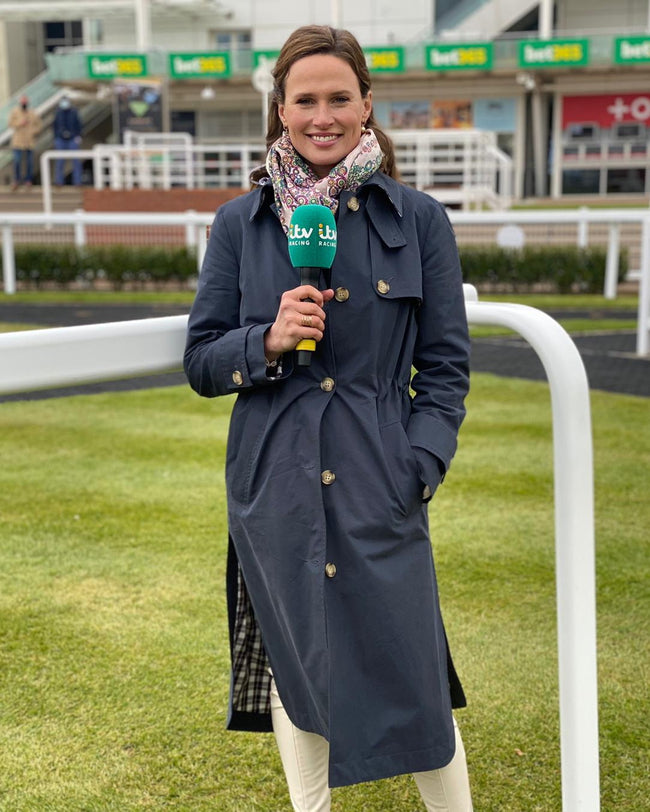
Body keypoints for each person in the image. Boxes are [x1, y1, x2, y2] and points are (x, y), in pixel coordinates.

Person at [184, 25, 472, 812]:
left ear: (366, 106)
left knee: (412, 670)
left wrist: (420, 465)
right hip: (273, 484)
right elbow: (201, 361)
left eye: (338, 98)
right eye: (304, 99)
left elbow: (444, 370)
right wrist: (266, 339)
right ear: (280, 110)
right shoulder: (239, 224)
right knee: (297, 662)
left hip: (381, 477)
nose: (322, 115)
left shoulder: (419, 221)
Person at [8, 95, 41, 190]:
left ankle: (28, 180)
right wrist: (20, 123)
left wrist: (33, 131)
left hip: (29, 141)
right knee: (17, 161)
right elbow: (10, 124)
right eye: (22, 101)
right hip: (18, 142)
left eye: (25, 101)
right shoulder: (15, 112)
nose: (24, 103)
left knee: (29, 162)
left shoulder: (32, 113)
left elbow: (39, 125)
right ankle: (16, 180)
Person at [53, 95, 83, 186]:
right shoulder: (58, 113)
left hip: (72, 139)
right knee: (60, 161)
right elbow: (54, 126)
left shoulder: (74, 112)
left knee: (76, 161)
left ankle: (77, 181)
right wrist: (57, 136)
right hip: (61, 139)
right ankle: (59, 181)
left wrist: (78, 136)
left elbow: (79, 124)